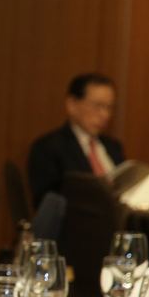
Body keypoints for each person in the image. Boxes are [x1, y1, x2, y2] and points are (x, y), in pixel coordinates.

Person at [27, 73, 125, 208]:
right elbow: (47, 203)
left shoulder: (113, 146)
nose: (105, 115)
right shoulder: (48, 147)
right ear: (72, 104)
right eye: (97, 106)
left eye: (109, 107)